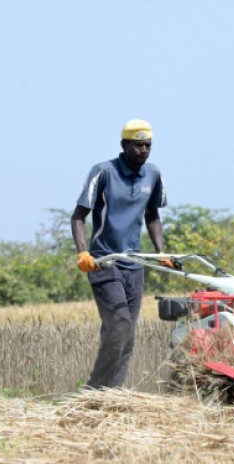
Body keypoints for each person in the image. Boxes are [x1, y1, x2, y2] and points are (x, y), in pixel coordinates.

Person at [71, 118, 172, 389]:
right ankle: (96, 389)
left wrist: (161, 251)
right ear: (124, 145)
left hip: (135, 265)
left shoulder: (153, 174)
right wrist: (83, 253)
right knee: (120, 327)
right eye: (138, 146)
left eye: (148, 145)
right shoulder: (103, 172)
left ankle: (110, 392)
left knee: (125, 334)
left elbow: (153, 215)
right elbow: (78, 216)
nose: (144, 151)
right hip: (104, 262)